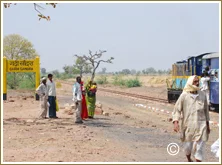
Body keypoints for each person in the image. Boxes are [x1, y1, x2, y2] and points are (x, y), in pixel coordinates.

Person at [172, 75, 210, 162]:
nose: (197, 83)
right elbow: (177, 110)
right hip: (188, 126)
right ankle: (189, 159)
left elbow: (206, 111)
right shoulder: (184, 96)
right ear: (190, 83)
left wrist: (207, 125)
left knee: (199, 149)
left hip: (201, 126)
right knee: (188, 147)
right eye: (195, 82)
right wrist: (176, 122)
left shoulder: (202, 95)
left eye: (198, 82)